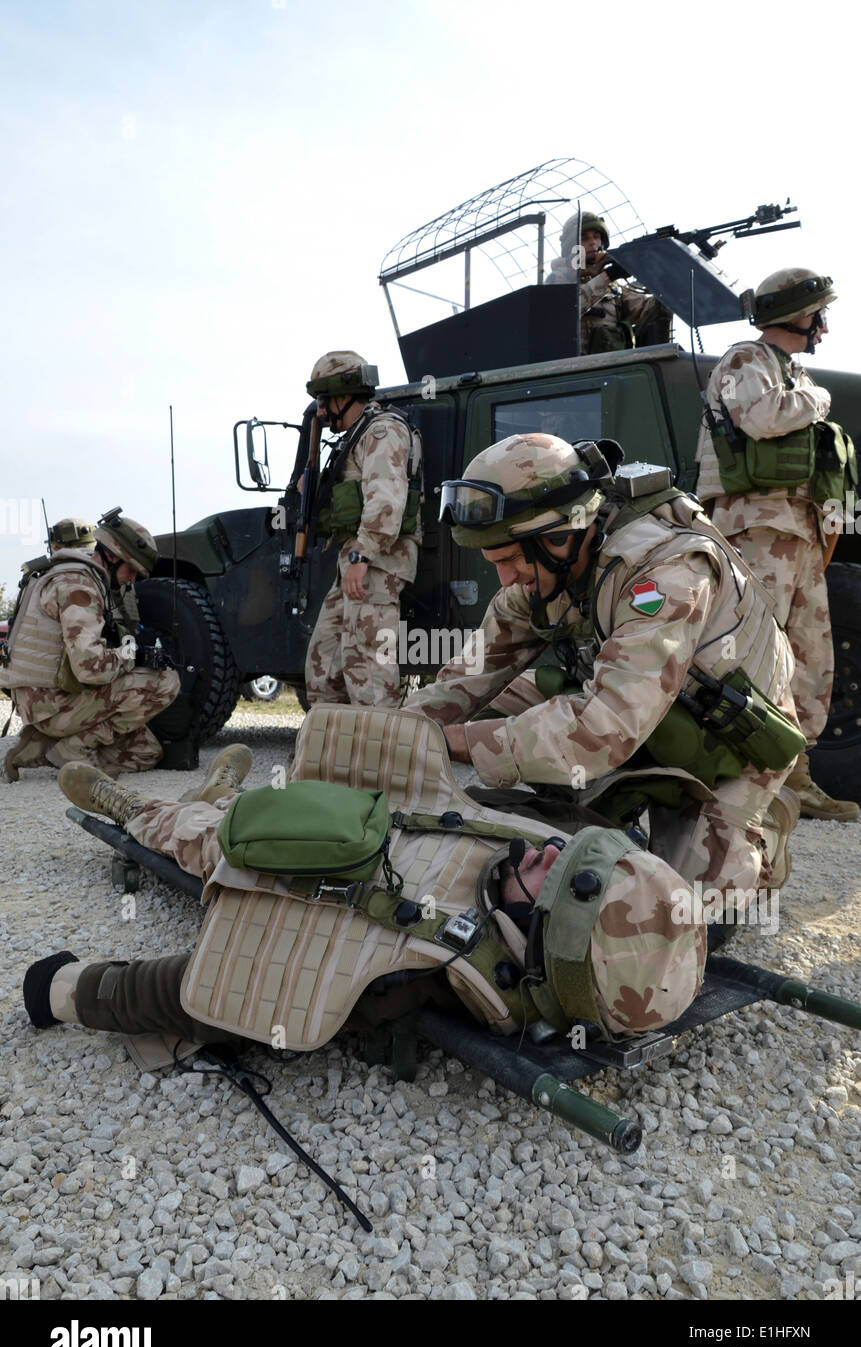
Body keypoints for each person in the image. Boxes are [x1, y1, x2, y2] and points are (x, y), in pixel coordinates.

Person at [23, 707, 707, 1055]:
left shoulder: (405, 977)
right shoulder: (544, 855)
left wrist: (67, 991)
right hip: (361, 808)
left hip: (285, 855)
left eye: (560, 885)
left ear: (540, 943)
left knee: (201, 835)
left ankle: (134, 807)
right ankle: (215, 793)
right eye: (580, 856)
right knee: (245, 808)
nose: (549, 857)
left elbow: (218, 993)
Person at [405, 433, 803, 902]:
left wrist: (459, 742)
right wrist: (398, 730)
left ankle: (758, 833)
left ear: (559, 535)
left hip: (728, 738)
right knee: (509, 702)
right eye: (494, 562)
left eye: (510, 559)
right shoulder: (552, 562)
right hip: (640, 701)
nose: (506, 578)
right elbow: (470, 675)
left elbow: (605, 727)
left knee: (681, 911)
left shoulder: (668, 571)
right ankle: (581, 800)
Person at [694, 267, 858, 821]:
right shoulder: (746, 362)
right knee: (753, 655)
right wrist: (818, 399)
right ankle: (743, 782)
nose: (824, 328)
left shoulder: (790, 371)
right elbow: (762, 419)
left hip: (799, 532)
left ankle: (797, 778)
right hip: (757, 529)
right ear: (798, 314)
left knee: (810, 658)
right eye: (820, 315)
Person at [2, 507, 180, 779]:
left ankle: (40, 745)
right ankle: (73, 747)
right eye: (130, 570)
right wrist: (136, 655)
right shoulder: (79, 586)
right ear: (109, 556)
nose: (132, 580)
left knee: (146, 753)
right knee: (167, 680)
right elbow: (90, 668)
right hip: (52, 704)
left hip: (40, 701)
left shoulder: (58, 572)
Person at [303, 351, 422, 707]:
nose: (321, 413)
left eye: (324, 402)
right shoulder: (357, 434)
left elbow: (386, 501)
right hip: (355, 563)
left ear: (343, 396)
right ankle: (329, 750)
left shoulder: (383, 431)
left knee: (369, 667)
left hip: (376, 564)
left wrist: (362, 554)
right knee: (324, 661)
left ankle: (380, 754)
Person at [544, 211, 672, 354]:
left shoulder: (613, 288)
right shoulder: (558, 279)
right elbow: (565, 311)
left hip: (613, 369)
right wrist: (608, 276)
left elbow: (646, 310)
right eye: (584, 238)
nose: (593, 242)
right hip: (575, 369)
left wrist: (667, 281)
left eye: (596, 237)